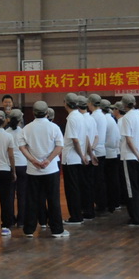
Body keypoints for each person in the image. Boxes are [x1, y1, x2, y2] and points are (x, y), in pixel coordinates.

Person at [19, 101, 68, 238]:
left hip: (33, 170)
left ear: (33, 113)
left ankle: (29, 230)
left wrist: (33, 160)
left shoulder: (27, 128)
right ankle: (57, 230)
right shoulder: (54, 127)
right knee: (53, 199)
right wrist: (49, 160)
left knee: (32, 199)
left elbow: (22, 147)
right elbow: (59, 146)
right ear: (47, 113)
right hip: (50, 169)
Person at [119, 94, 139, 226]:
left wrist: (137, 154)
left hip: (130, 156)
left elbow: (129, 139)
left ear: (124, 105)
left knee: (131, 189)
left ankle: (136, 218)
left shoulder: (126, 118)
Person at [61, 93, 88, 225]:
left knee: (72, 189)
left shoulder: (72, 118)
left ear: (66, 103)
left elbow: (75, 140)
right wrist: (83, 155)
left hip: (71, 158)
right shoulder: (81, 116)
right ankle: (78, 214)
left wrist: (82, 155)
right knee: (77, 187)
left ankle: (75, 216)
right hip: (77, 157)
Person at [6, 109, 27, 227]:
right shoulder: (24, 132)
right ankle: (21, 220)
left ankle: (10, 220)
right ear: (20, 120)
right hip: (23, 164)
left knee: (9, 194)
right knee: (22, 194)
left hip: (9, 165)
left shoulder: (6, 132)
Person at [88, 94, 108, 215]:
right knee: (100, 179)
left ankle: (100, 204)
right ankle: (102, 203)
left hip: (96, 151)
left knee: (96, 180)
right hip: (102, 150)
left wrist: (91, 151)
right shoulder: (102, 115)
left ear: (91, 103)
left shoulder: (94, 117)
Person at [101, 99, 121, 213]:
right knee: (113, 180)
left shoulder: (105, 120)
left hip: (108, 153)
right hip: (114, 152)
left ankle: (110, 204)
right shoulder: (112, 119)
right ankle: (115, 203)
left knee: (109, 181)